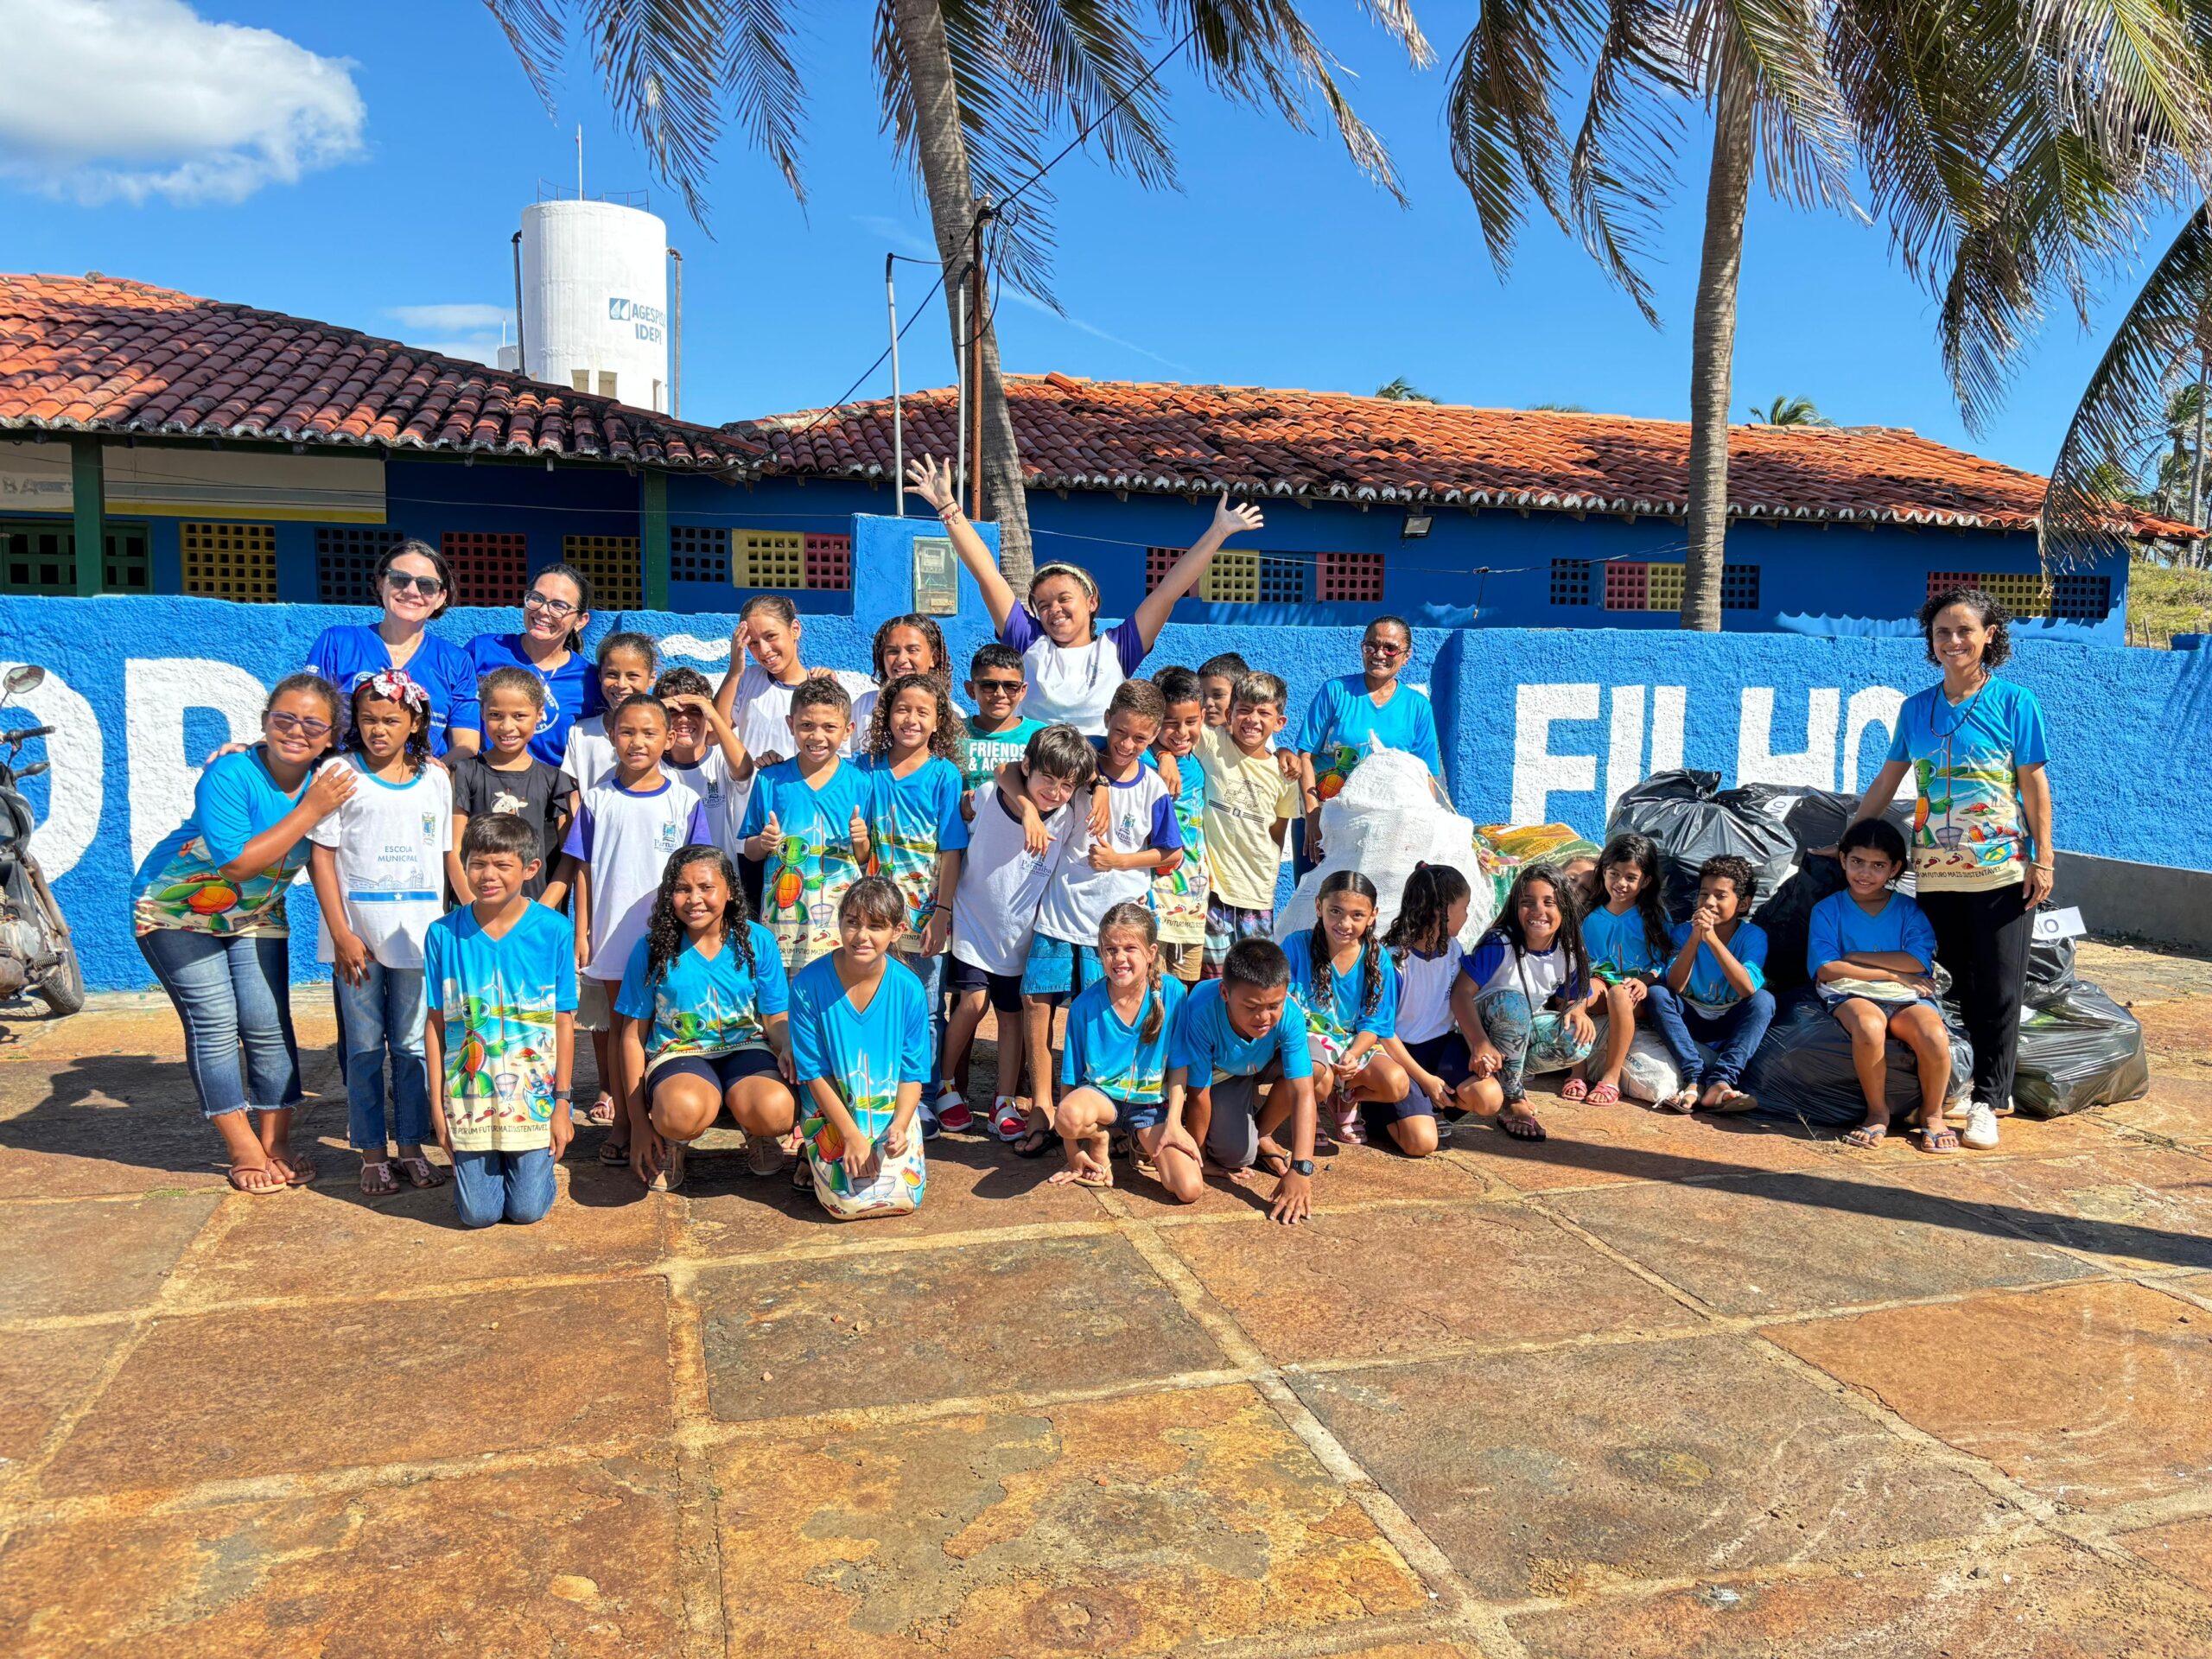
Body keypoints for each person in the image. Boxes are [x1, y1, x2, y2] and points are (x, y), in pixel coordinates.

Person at [1846, 585, 2052, 1154]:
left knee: (1999, 986)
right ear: (1930, 642)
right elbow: (1889, 781)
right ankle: (1968, 1078)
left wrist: (2044, 858)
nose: (1953, 640)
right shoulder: (1916, 709)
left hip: (2002, 870)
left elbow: (2034, 784)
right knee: (1956, 977)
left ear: (1990, 636)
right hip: (1935, 870)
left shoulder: (2015, 703)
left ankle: (1990, 1100)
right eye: (1942, 631)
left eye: (1965, 630)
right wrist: (1848, 840)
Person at [132, 673, 353, 1193]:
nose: (296, 731)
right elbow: (235, 864)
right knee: (214, 1022)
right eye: (284, 719)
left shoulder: (330, 774)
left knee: (268, 1024)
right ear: (264, 722)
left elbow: (391, 755)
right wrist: (310, 810)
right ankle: (242, 1148)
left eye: (312, 724)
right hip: (176, 908)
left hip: (257, 913)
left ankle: (276, 1142)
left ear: (329, 736)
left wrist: (430, 761)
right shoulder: (231, 773)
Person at [907, 453, 1263, 734]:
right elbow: (987, 575)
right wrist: (947, 508)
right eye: (1043, 605)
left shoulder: (1118, 649)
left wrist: (1218, 533)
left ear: (1092, 601)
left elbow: (1169, 590)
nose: (1054, 610)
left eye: (1064, 599)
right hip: (1037, 779)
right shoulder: (1028, 640)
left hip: (1100, 783)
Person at [1013, 678, 1182, 1150]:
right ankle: (1043, 1109)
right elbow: (1017, 770)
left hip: (1116, 927)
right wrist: (1101, 783)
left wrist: (1122, 860)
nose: (1128, 745)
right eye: (1121, 732)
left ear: (1154, 738)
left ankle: (1100, 1114)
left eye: (1141, 739)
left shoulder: (1152, 785)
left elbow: (1170, 854)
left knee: (1099, 1019)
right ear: (1107, 719)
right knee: (1037, 1008)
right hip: (1060, 913)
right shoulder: (1083, 763)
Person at [305, 670, 452, 1196]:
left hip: (418, 939)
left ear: (414, 721)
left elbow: (444, 856)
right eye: (368, 720)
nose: (379, 730)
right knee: (365, 1047)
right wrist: (341, 932)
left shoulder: (435, 777)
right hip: (358, 942)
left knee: (413, 1046)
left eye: (391, 719)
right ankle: (371, 1152)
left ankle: (410, 1146)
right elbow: (321, 857)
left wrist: (456, 927)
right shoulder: (340, 773)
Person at [566, 693, 714, 1159]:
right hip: (612, 939)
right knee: (621, 1030)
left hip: (670, 941)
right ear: (611, 736)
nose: (637, 742)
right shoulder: (596, 799)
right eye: (627, 732)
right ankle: (626, 1126)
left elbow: (700, 871)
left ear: (668, 738)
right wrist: (582, 931)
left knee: (665, 1032)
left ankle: (667, 1125)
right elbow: (583, 870)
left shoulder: (685, 801)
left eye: (649, 733)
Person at [424, 814, 577, 1229]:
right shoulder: (441, 934)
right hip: (469, 1101)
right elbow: (435, 1023)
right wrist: (438, 1106)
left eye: (502, 865)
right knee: (479, 1215)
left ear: (530, 869)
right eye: (477, 863)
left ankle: (531, 1171)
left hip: (533, 1100)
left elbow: (564, 1020)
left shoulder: (555, 930)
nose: (487, 875)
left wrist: (562, 1103)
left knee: (527, 1210)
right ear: (464, 863)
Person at [943, 725, 1095, 1136]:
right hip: (974, 925)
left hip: (1020, 937)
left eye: (1067, 784)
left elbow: (1101, 778)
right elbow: (1002, 769)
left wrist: (1104, 796)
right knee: (972, 1005)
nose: (1056, 791)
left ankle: (1002, 1101)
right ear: (1029, 768)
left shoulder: (1069, 815)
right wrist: (1027, 809)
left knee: (1011, 1021)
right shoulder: (994, 797)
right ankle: (943, 1085)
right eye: (1048, 778)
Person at [614, 845, 795, 1192]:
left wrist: (787, 1046)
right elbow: (631, 1037)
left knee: (777, 1111)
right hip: (679, 1054)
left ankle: (756, 1129)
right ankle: (674, 1141)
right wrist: (638, 1122)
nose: (694, 899)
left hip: (746, 1046)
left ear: (729, 891)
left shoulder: (758, 941)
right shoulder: (652, 948)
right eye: (682, 889)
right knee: (681, 1112)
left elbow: (775, 1017)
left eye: (706, 887)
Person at [856, 673, 969, 1134]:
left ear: (938, 720)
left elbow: (951, 850)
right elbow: (859, 849)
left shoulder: (944, 774)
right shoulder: (865, 769)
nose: (912, 719)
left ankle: (919, 1095)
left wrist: (942, 913)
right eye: (903, 709)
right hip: (872, 916)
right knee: (872, 1000)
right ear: (887, 714)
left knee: (923, 1008)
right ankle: (876, 1087)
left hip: (924, 915)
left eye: (923, 712)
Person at [787, 878, 934, 1220]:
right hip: (831, 1109)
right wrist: (851, 1135)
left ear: (897, 931)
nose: (861, 936)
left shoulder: (910, 989)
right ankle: (808, 1155)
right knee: (847, 1205)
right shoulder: (808, 985)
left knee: (902, 1199)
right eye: (852, 922)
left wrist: (899, 1125)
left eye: (876, 926)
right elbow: (813, 1072)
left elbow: (913, 1072)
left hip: (887, 1108)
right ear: (839, 922)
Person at [1812, 820, 1955, 1152]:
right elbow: (1829, 968)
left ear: (1895, 869)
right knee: (1869, 1024)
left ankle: (1932, 1115)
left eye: (1878, 866)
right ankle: (1877, 1112)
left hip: (1907, 996)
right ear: (1843, 859)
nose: (1865, 873)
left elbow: (1917, 963)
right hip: (1850, 993)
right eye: (1857, 862)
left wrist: (1858, 956)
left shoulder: (1908, 910)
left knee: (1934, 1035)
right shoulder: (1828, 909)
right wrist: (1891, 974)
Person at [1163, 937, 1319, 1224]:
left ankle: (1262, 1133)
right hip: (1223, 1074)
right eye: (1251, 1007)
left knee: (1318, 1073)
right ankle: (1244, 1132)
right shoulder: (1202, 1009)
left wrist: (1300, 1168)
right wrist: (1198, 1155)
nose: (1264, 1016)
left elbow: (1303, 1094)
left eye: (1274, 1005)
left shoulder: (1289, 1015)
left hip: (1263, 1062)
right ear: (1224, 992)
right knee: (1235, 1155)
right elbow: (1199, 1093)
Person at [1050, 904, 1195, 1196]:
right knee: (1067, 1116)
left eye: (1130, 948)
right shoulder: (1083, 1007)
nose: (1119, 958)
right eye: (1110, 950)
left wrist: (1175, 1125)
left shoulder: (1173, 993)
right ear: (1100, 954)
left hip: (1151, 1107)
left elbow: (1179, 1065)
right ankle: (1101, 1138)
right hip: (1101, 1099)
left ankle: (1138, 1140)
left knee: (1188, 1189)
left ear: (1152, 952)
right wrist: (1071, 1151)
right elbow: (1070, 1079)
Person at [1451, 863, 1598, 1142]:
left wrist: (1577, 1010)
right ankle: (1513, 1097)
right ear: (1516, 907)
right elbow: (1460, 994)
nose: (1538, 911)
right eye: (1527, 902)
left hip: (1519, 1031)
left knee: (1579, 1040)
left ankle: (1508, 1079)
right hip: (1476, 1031)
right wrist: (1480, 1042)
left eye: (1549, 902)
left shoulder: (1569, 950)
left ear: (1565, 907)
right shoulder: (1501, 943)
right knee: (1513, 1003)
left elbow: (1574, 996)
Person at [738, 677, 873, 973]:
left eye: (829, 727)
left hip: (840, 927)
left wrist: (861, 840)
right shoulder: (770, 779)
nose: (817, 736)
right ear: (791, 724)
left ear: (848, 730)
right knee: (785, 1009)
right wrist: (763, 842)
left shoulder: (861, 782)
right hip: (783, 930)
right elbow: (750, 851)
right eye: (807, 726)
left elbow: (865, 858)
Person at [1291, 616, 1444, 867]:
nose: (1379, 654)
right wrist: (1312, 814)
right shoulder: (1335, 691)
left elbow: (1425, 776)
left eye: (1390, 648)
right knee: (1316, 900)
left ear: (1406, 656)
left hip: (1385, 830)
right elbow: (1306, 754)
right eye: (1371, 646)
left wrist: (1426, 828)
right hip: (1324, 822)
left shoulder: (1417, 707)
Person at [303, 538, 480, 756]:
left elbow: (467, 744)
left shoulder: (456, 661)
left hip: (422, 783)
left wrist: (436, 774)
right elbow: (304, 715)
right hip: (345, 780)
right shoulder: (338, 642)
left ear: (441, 597)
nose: (412, 591)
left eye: (426, 585)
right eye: (400, 579)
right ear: (380, 583)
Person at [1284, 870, 1408, 1148]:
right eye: (1335, 911)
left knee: (1397, 1083)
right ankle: (1311, 1109)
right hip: (1306, 1040)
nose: (1344, 923)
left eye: (1357, 915)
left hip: (1351, 1043)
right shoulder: (1296, 945)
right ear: (1319, 906)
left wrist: (1353, 1055)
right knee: (1320, 1075)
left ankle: (1344, 1097)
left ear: (1373, 915)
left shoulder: (1378, 960)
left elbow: (1375, 1024)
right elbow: (1283, 1002)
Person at [1646, 854, 1776, 1114]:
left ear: (1743, 904)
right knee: (1657, 994)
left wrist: (1713, 940)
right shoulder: (1683, 932)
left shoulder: (1753, 936)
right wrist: (1695, 939)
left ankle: (1721, 1080)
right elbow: (1676, 985)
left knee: (1765, 1001)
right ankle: (1694, 1078)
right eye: (1704, 894)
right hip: (1690, 1015)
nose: (1709, 902)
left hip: (1729, 1020)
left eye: (1720, 895)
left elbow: (1747, 988)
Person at [1196, 671, 1298, 979]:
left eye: (1264, 713)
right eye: (1244, 710)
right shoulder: (1211, 744)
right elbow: (1174, 725)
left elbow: (1277, 834)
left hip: (1257, 895)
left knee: (1253, 980)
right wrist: (1164, 755)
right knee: (1213, 981)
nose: (1252, 719)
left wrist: (1284, 752)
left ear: (1279, 722)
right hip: (1213, 893)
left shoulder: (1284, 773)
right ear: (1230, 714)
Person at [449, 666, 571, 906]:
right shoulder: (464, 773)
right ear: (482, 713)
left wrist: (542, 912)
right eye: (496, 715)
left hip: (534, 918)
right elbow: (452, 850)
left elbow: (568, 857)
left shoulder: (555, 781)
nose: (507, 726)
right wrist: (472, 909)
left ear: (539, 715)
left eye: (519, 716)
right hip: (474, 916)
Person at [1565, 833, 1671, 1105]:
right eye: (1614, 874)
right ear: (1604, 874)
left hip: (1636, 993)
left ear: (1645, 881)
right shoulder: (1592, 918)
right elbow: (1583, 963)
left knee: (1619, 995)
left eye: (1631, 877)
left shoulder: (1654, 918)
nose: (1620, 883)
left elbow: (1666, 961)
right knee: (1576, 990)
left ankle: (1611, 1077)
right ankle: (1578, 1070)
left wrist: (1646, 981)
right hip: (1601, 983)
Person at [460, 564, 601, 765]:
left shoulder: (589, 680)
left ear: (580, 621)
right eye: (537, 598)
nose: (543, 611)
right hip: (481, 785)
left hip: (550, 791)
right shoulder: (482, 650)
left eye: (559, 606)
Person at [1379, 862, 1477, 1152]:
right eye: (1465, 907)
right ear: (1442, 913)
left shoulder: (1454, 950)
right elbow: (1383, 1033)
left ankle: (1430, 1109)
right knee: (1421, 1144)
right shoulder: (1393, 962)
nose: (1468, 915)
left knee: (1489, 1098)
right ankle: (1382, 1113)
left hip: (1442, 1048)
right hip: (1401, 1057)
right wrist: (1425, 1080)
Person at [711, 594, 873, 766]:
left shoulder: (820, 688)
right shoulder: (746, 679)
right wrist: (734, 671)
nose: (764, 650)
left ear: (795, 629)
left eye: (771, 636)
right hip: (752, 792)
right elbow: (712, 735)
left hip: (801, 792)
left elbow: (834, 758)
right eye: (753, 642)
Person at [1148, 666, 1211, 985]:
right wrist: (1160, 754)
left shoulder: (1197, 758)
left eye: (1190, 722)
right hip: (1154, 899)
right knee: (1152, 990)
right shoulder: (1144, 762)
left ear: (1203, 715)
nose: (1181, 733)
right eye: (1169, 724)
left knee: (1185, 990)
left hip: (1192, 904)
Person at [655, 666, 753, 855]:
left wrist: (712, 714)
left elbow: (744, 770)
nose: (684, 719)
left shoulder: (720, 758)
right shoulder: (652, 766)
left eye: (695, 710)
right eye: (673, 711)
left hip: (719, 877)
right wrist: (655, 710)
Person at [556, 632, 663, 792]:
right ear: (599, 676)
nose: (621, 684)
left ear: (652, 678)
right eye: (612, 674)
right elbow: (572, 793)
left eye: (633, 676)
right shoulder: (580, 733)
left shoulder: (664, 732)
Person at [959, 643, 1044, 817]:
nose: (1000, 693)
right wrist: (959, 801)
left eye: (1011, 686)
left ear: (1023, 691)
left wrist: (1099, 787)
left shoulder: (1040, 736)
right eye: (988, 685)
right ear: (970, 690)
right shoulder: (953, 733)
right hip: (969, 838)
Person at [850, 613, 963, 738]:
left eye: (912, 650)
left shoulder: (953, 714)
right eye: (893, 651)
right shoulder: (864, 706)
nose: (901, 659)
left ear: (934, 658)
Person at [1196, 653, 1249, 729]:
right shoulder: (1191, 739)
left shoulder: (1257, 739)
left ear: (1241, 695)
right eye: (1202, 695)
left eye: (1218, 695)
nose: (1208, 703)